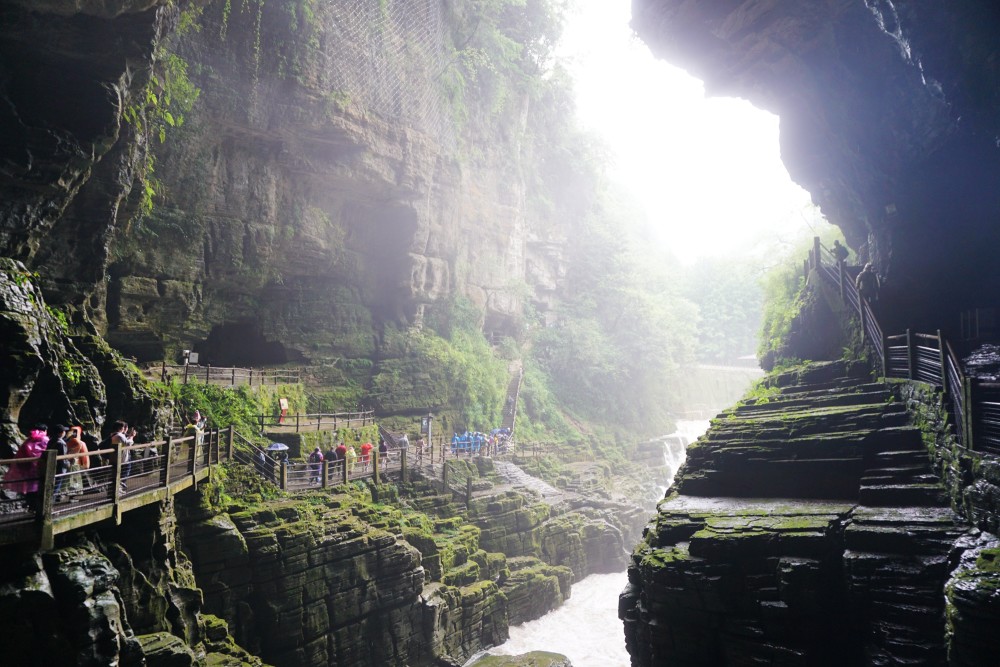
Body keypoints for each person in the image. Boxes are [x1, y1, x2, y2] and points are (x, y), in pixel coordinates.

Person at [3, 424, 49, 500]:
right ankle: (36, 505)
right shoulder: (44, 438)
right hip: (38, 465)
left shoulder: (30, 438)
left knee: (29, 484)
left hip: (27, 465)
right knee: (37, 484)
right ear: (45, 430)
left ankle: (29, 502)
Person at [65, 425, 90, 493]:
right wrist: (86, 465)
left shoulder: (65, 442)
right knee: (75, 480)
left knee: (66, 479)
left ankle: (63, 493)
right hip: (76, 464)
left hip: (65, 463)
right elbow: (85, 456)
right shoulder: (81, 443)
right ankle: (73, 495)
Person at [47, 424, 69, 496]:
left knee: (50, 486)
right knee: (56, 486)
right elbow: (63, 456)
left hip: (50, 466)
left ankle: (48, 503)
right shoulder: (61, 443)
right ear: (61, 433)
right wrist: (67, 464)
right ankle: (50, 504)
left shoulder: (51, 440)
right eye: (64, 431)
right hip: (59, 468)